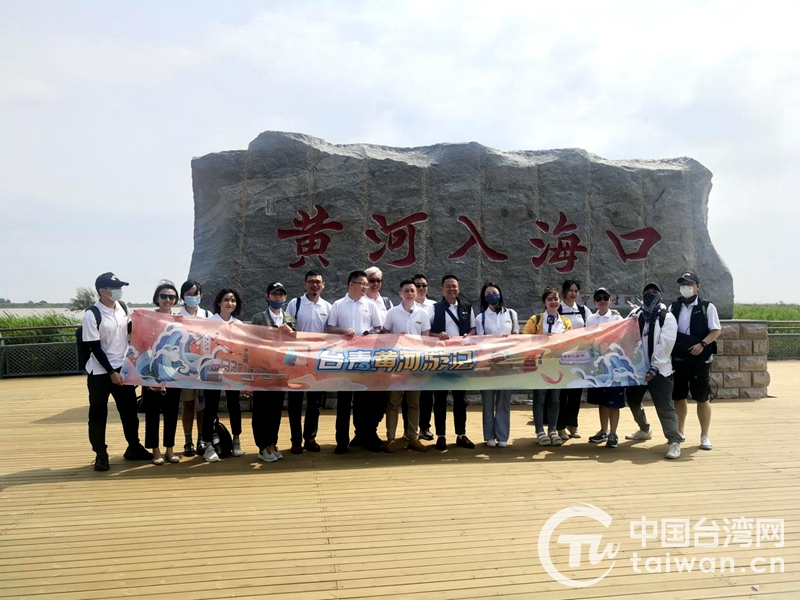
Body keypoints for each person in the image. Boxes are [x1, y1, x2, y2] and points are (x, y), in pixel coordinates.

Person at [82, 272, 151, 471]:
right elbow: (95, 348)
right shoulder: (92, 314)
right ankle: (100, 454)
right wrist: (111, 372)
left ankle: (133, 447)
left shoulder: (121, 307)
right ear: (102, 291)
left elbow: (127, 331)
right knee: (98, 413)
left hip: (122, 368)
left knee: (129, 411)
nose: (119, 291)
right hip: (100, 372)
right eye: (114, 288)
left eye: (119, 287)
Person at [326, 270, 384, 454]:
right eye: (362, 284)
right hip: (344, 359)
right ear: (351, 284)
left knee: (365, 401)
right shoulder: (338, 304)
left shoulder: (370, 305)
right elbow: (329, 328)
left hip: (365, 359)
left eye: (367, 284)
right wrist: (342, 330)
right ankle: (341, 441)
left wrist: (369, 334)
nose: (366, 287)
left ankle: (366, 436)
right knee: (344, 402)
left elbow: (379, 328)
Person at [624, 283, 683, 459]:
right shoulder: (636, 315)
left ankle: (674, 441)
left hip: (660, 371)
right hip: (638, 370)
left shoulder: (667, 317)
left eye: (654, 292)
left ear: (660, 296)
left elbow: (665, 344)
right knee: (633, 400)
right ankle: (644, 429)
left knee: (664, 406)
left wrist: (654, 367)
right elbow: (624, 333)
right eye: (647, 293)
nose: (650, 295)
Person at [669, 272, 721, 451]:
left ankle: (704, 435)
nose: (685, 288)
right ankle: (680, 431)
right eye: (683, 284)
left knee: (702, 397)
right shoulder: (674, 307)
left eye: (689, 284)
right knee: (679, 396)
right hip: (679, 358)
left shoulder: (707, 307)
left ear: (697, 286)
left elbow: (716, 330)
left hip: (700, 359)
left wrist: (702, 344)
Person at [380, 279, 430, 452]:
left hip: (415, 363)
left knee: (413, 403)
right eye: (406, 291)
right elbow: (384, 335)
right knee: (393, 402)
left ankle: (413, 437)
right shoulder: (392, 313)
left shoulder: (422, 313)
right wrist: (395, 337)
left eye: (412, 291)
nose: (410, 293)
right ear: (400, 293)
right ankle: (391, 438)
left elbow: (426, 338)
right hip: (396, 363)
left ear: (416, 293)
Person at [428, 274, 476, 450]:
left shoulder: (467, 307)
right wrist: (437, 335)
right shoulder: (434, 308)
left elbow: (473, 329)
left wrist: (468, 336)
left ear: (459, 288)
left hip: (461, 358)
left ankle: (461, 434)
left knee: (460, 398)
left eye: (454, 286)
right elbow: (427, 332)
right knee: (440, 398)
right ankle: (440, 436)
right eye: (448, 286)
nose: (451, 289)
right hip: (440, 357)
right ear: (441, 289)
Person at [285, 270, 330, 454]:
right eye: (311, 281)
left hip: (318, 359)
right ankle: (296, 440)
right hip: (296, 358)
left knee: (314, 402)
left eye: (318, 282)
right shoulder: (295, 304)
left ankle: (310, 437)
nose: (314, 285)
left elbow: (330, 333)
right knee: (295, 402)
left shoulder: (328, 307)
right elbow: (286, 329)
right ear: (304, 284)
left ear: (323, 285)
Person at [251, 282, 297, 462]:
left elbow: (295, 345)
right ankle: (262, 446)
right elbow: (251, 343)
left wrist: (291, 333)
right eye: (275, 294)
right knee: (261, 409)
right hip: (262, 369)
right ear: (267, 296)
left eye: (281, 295)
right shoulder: (259, 318)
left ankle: (272, 443)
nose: (278, 298)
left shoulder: (290, 318)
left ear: (285, 297)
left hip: (281, 370)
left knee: (276, 409)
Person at [522, 286, 572, 446]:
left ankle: (552, 430)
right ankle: (539, 431)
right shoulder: (535, 319)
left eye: (556, 299)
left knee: (555, 399)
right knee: (539, 398)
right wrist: (542, 339)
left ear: (560, 301)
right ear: (544, 302)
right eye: (550, 299)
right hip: (539, 365)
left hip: (557, 365)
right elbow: (524, 339)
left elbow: (571, 341)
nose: (553, 302)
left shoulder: (565, 321)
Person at [201, 288, 245, 462]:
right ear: (219, 302)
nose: (229, 303)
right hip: (213, 368)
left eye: (233, 300)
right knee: (211, 406)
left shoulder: (238, 324)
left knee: (234, 405)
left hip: (233, 369)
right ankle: (208, 445)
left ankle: (236, 440)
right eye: (226, 299)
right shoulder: (209, 322)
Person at [142, 281, 182, 464]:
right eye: (164, 296)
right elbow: (140, 345)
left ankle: (169, 449)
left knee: (171, 413)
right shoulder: (147, 318)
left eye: (171, 297)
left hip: (173, 373)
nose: (168, 300)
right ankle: (155, 450)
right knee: (152, 413)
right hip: (151, 372)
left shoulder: (179, 320)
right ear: (157, 298)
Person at [475, 282, 519, 448]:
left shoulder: (511, 314)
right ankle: (489, 436)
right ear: (484, 298)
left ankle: (502, 435)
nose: (491, 296)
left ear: (500, 294)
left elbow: (517, 337)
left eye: (494, 292)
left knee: (504, 400)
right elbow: (480, 341)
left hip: (507, 362)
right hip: (489, 363)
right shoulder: (481, 318)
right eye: (488, 294)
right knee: (487, 400)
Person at [585, 287, 625, 448]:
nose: (602, 301)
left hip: (614, 364)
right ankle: (603, 430)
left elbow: (624, 336)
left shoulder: (617, 318)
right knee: (602, 400)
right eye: (599, 298)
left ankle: (613, 433)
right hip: (597, 365)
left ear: (610, 300)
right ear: (595, 302)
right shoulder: (590, 319)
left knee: (614, 401)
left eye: (605, 298)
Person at [177, 279, 210, 456]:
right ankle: (188, 441)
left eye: (195, 293)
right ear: (183, 296)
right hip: (185, 367)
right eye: (188, 294)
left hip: (204, 367)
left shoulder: (208, 315)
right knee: (188, 404)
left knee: (202, 406)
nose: (192, 297)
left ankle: (201, 440)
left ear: (201, 295)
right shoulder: (177, 317)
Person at [556, 279, 591, 440]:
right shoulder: (558, 309)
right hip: (562, 357)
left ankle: (572, 424)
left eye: (576, 291)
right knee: (562, 393)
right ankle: (560, 426)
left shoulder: (583, 310)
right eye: (570, 290)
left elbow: (594, 326)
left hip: (580, 357)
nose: (573, 293)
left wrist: (612, 315)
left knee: (576, 392)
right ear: (564, 291)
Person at [363, 266, 393, 441]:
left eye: (378, 280)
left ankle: (372, 430)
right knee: (362, 397)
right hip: (363, 356)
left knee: (380, 397)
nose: (375, 284)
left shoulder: (387, 303)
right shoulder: (360, 302)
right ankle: (361, 433)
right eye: (371, 280)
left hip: (383, 357)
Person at [409, 273, 436, 441]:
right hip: (409, 357)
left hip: (429, 356)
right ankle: (409, 430)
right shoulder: (405, 306)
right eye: (417, 285)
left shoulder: (434, 306)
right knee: (409, 395)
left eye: (423, 285)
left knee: (427, 394)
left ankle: (424, 427)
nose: (420, 288)